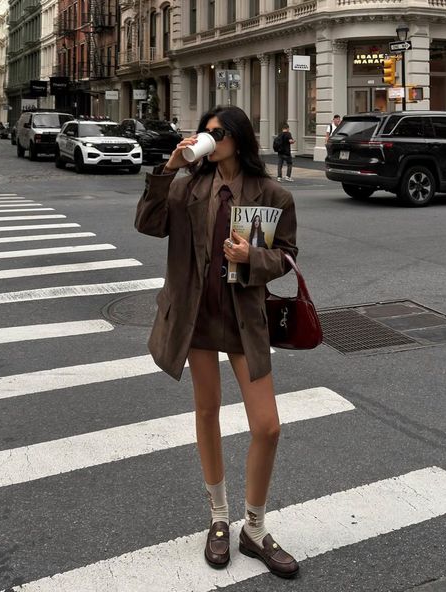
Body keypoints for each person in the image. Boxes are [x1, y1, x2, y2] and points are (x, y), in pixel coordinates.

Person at [135, 105, 299, 579]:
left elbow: (287, 258)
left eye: (218, 132)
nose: (209, 138)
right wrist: (169, 168)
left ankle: (254, 525)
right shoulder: (188, 185)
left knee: (266, 426)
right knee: (207, 410)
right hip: (197, 318)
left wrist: (254, 258)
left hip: (243, 319)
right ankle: (220, 518)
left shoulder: (273, 194)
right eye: (205, 132)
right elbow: (147, 223)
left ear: (239, 138)